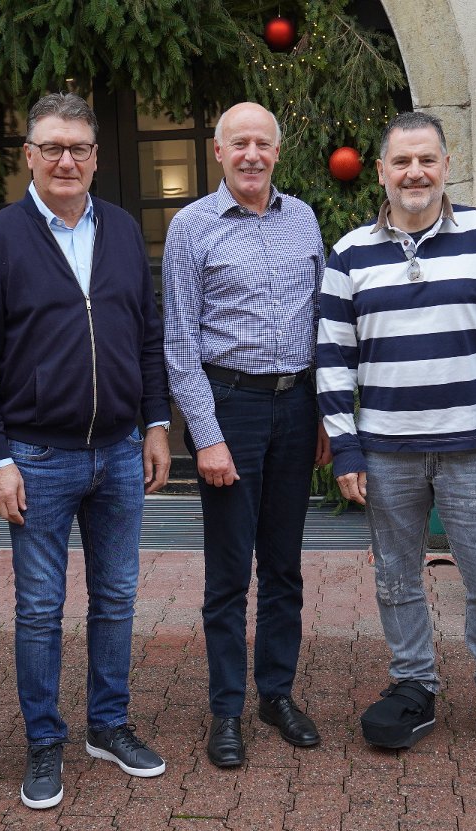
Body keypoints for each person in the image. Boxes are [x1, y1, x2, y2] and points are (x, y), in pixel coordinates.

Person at [0, 93, 171, 810]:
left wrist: (157, 423)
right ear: (30, 155)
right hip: (37, 459)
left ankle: (108, 725)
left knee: (116, 597)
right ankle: (44, 739)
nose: (66, 160)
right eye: (51, 147)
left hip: (119, 451)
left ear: (96, 157)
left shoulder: (122, 229)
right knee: (40, 607)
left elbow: (147, 335)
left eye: (78, 148)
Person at [316, 111, 476, 755]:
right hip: (386, 451)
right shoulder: (349, 253)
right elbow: (333, 357)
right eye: (401, 161)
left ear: (446, 167)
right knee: (396, 577)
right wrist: (345, 447)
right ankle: (414, 682)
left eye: (426, 160)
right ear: (381, 172)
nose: (414, 173)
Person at [162, 102, 330, 769]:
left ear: (277, 152)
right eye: (240, 144)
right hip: (231, 406)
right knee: (230, 571)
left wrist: (324, 414)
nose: (252, 155)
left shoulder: (304, 219)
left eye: (263, 143)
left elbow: (322, 325)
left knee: (284, 565)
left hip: (297, 405)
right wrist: (206, 436)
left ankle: (276, 694)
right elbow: (180, 342)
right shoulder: (191, 227)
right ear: (219, 151)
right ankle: (227, 708)